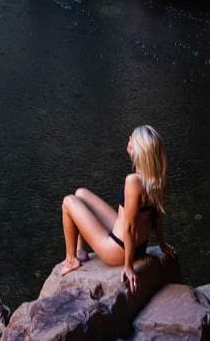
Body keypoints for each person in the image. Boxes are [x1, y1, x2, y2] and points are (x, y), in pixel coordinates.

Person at [59, 125, 176, 292]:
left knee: (68, 201)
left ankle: (71, 260)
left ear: (140, 150)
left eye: (132, 140)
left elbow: (129, 227)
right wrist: (162, 244)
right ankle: (81, 251)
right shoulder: (155, 179)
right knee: (81, 193)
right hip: (138, 246)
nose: (129, 140)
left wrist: (128, 266)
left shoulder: (133, 181)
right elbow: (156, 216)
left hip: (117, 250)